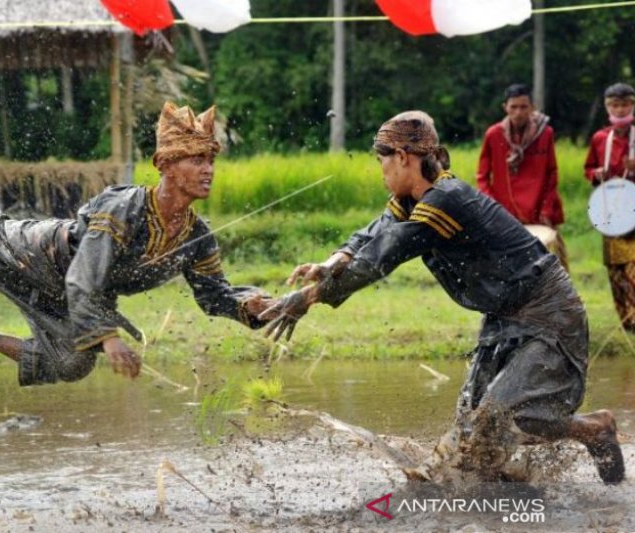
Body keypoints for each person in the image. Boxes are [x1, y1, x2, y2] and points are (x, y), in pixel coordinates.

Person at [261, 111, 625, 484]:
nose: (381, 169)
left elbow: (387, 252)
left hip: (546, 310)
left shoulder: (446, 199)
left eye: (381, 160)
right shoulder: (410, 200)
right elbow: (377, 231)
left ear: (403, 156)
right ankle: (500, 491)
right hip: (503, 314)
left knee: (500, 416)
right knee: (473, 427)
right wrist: (336, 258)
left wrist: (310, 297)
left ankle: (595, 430)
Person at [0, 102, 276, 386]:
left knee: (70, 365)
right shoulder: (123, 208)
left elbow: (215, 296)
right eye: (196, 159)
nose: (208, 169)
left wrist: (253, 306)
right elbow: (82, 279)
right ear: (165, 165)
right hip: (32, 254)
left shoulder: (197, 237)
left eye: (210, 160)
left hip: (73, 294)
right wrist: (109, 339)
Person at [476, 83, 568, 270]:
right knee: (509, 271)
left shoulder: (545, 133)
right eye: (513, 107)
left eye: (524, 107)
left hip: (540, 213)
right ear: (505, 108)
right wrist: (492, 209)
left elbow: (552, 174)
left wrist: (546, 211)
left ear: (532, 107)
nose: (518, 112)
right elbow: (482, 176)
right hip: (505, 214)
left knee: (550, 271)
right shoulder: (494, 134)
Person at [584, 82, 635, 331]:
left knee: (633, 266)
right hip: (611, 212)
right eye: (615, 104)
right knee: (615, 268)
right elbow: (588, 169)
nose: (621, 109)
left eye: (625, 104)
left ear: (632, 105)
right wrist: (597, 173)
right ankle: (626, 322)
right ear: (607, 107)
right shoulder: (600, 138)